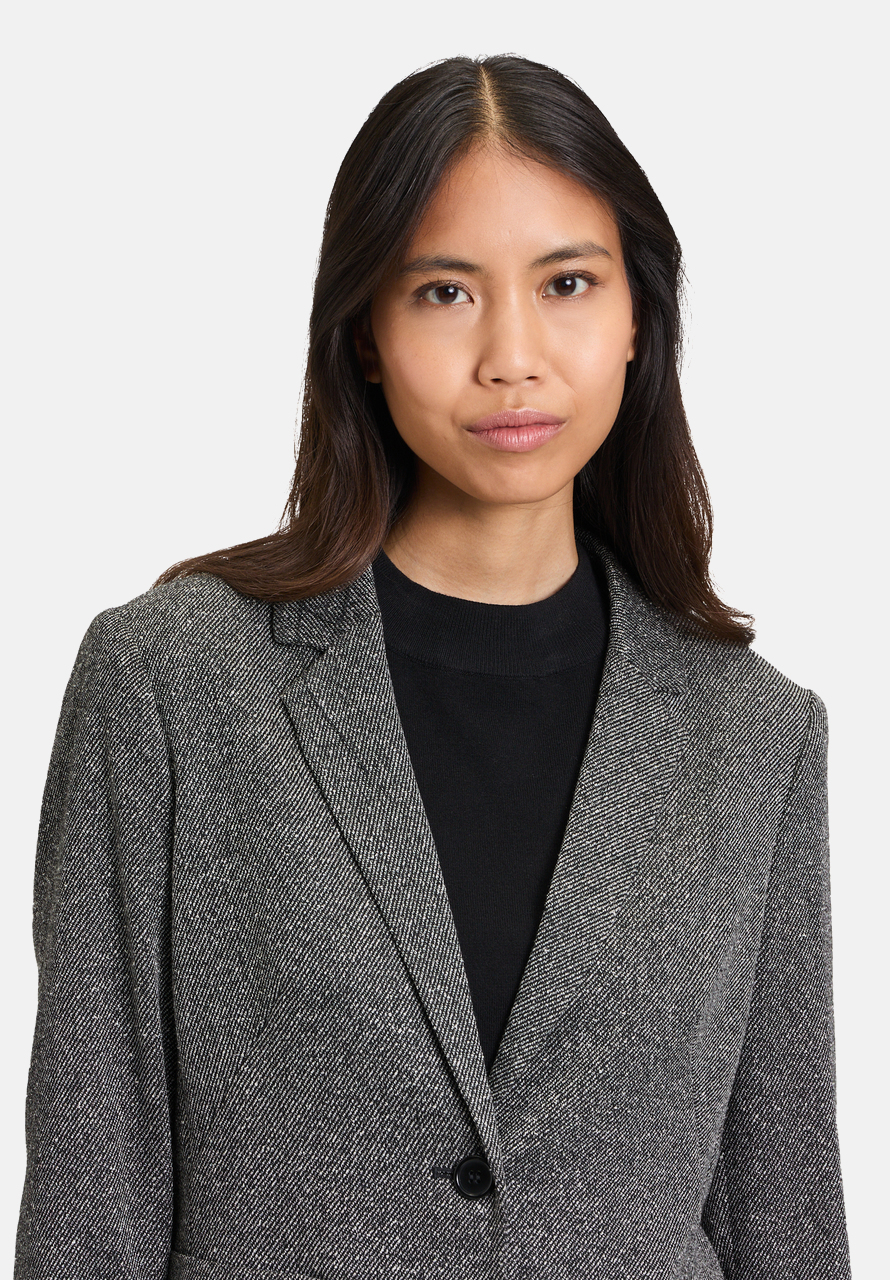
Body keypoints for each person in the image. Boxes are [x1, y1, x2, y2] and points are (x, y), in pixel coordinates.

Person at [14, 54, 851, 1280]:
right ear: (364, 332)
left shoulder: (754, 735)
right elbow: (92, 1200)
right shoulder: (171, 685)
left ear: (637, 317)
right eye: (445, 291)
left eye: (566, 282)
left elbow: (784, 1213)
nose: (511, 354)